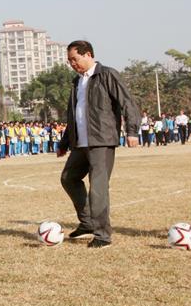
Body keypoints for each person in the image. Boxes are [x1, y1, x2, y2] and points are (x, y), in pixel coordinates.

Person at [58, 40, 141, 248]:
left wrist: (132, 131)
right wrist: (65, 142)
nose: (72, 64)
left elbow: (128, 103)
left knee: (98, 187)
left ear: (88, 54)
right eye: (69, 61)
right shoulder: (77, 82)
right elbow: (74, 114)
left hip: (101, 140)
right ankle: (87, 222)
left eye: (75, 59)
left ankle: (102, 235)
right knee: (68, 178)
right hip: (80, 143)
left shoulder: (107, 75)